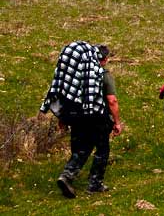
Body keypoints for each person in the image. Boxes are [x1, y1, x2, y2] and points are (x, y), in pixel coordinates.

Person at [40, 43, 122, 198]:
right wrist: (117, 122)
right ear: (104, 59)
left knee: (81, 149)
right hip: (98, 118)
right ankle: (95, 183)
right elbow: (112, 101)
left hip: (77, 117)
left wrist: (63, 118)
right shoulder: (103, 74)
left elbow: (68, 95)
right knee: (102, 149)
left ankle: (67, 176)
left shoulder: (78, 74)